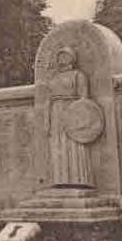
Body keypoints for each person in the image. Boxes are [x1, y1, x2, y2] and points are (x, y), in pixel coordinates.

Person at [43, 47, 94, 188]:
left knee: (74, 145)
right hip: (56, 114)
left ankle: (79, 180)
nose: (62, 59)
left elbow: (84, 99)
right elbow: (48, 101)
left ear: (72, 58)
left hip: (72, 112)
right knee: (57, 145)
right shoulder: (53, 78)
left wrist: (81, 118)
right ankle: (59, 180)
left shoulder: (79, 75)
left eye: (65, 55)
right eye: (60, 56)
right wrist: (46, 121)